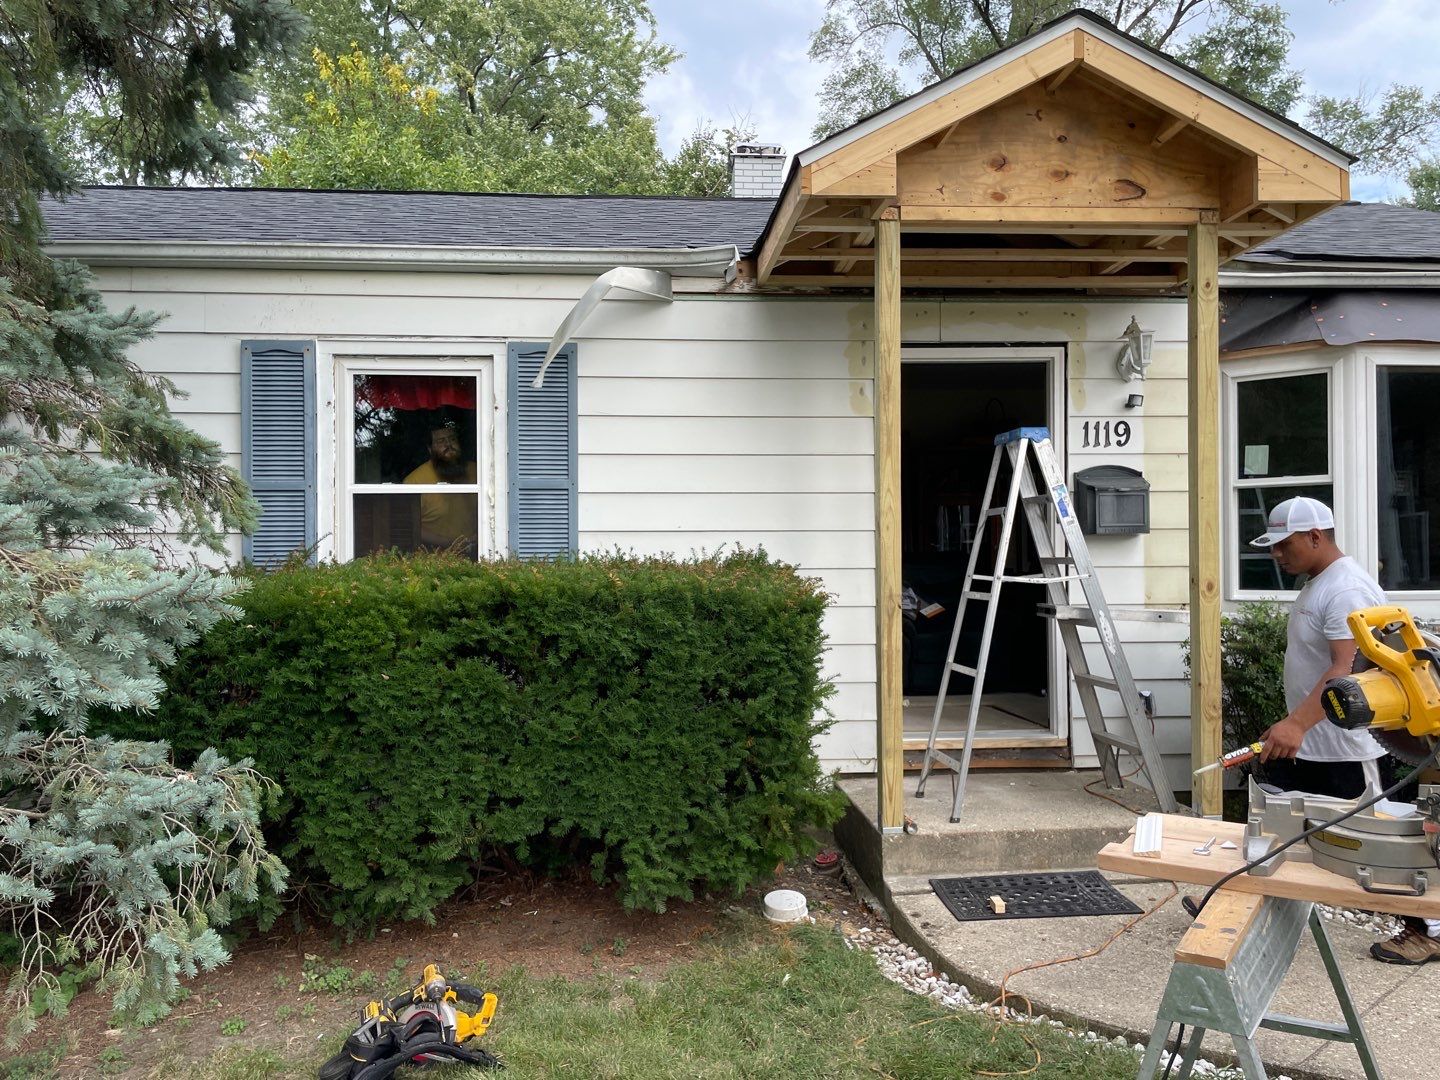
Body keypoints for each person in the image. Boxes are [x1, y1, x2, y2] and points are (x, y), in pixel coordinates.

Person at [1249, 496, 1440, 965]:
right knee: (1277, 821)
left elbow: (1346, 670)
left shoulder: (1346, 589)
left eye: (1285, 544)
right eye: (1273, 545)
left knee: (1383, 846)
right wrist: (1294, 727)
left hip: (1348, 748)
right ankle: (1243, 906)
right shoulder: (1321, 582)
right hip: (1312, 741)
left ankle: (1429, 929)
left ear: (1316, 536)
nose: (1276, 554)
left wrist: (1296, 723)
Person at [403, 426, 478, 555]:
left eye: (452, 439)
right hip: (433, 559)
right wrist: (451, 543)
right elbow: (408, 526)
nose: (448, 445)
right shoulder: (414, 481)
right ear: (430, 449)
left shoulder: (478, 471)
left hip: (477, 555)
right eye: (441, 441)